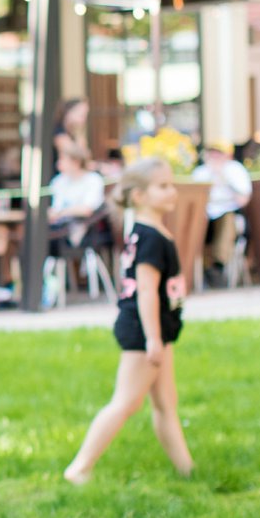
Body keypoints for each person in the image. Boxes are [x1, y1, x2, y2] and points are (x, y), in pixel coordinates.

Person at [63, 157, 195, 485]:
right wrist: (152, 339)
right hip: (144, 330)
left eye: (171, 184)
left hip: (156, 329)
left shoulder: (148, 229)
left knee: (165, 404)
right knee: (125, 403)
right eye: (162, 186)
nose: (171, 191)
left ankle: (188, 472)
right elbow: (147, 291)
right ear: (139, 196)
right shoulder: (149, 237)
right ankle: (79, 468)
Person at [192, 138, 251, 274]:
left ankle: (219, 262)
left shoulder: (235, 170)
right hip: (205, 214)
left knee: (227, 219)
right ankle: (202, 265)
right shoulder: (200, 172)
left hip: (228, 211)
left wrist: (222, 177)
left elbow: (243, 199)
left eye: (218, 153)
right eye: (212, 153)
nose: (214, 156)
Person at [55, 97, 91, 166]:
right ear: (69, 112)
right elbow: (78, 154)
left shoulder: (73, 133)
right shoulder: (59, 131)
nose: (84, 119)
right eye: (81, 114)